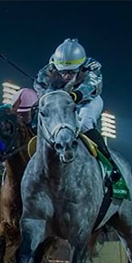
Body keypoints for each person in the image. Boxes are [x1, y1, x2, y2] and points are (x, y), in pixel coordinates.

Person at [34, 38, 120, 181]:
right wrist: (48, 94)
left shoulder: (91, 66)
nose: (66, 76)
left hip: (88, 101)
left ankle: (110, 164)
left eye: (71, 72)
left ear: (80, 67)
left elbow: (92, 85)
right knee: (42, 123)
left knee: (85, 124)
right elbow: (38, 84)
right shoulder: (50, 68)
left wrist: (75, 95)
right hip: (62, 102)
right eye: (63, 72)